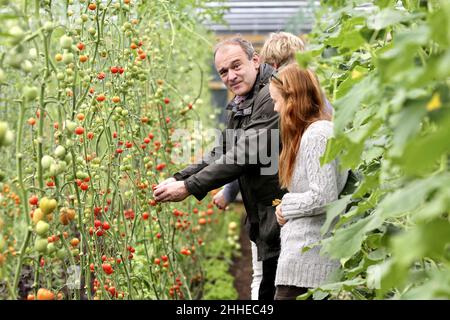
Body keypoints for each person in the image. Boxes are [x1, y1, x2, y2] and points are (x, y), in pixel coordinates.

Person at [153, 37, 286, 300]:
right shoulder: (241, 101)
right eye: (223, 71)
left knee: (275, 291)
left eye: (236, 66)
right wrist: (180, 177)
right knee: (268, 288)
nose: (231, 76)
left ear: (255, 60)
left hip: (282, 211)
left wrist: (190, 187)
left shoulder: (272, 94)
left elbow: (244, 154)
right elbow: (223, 149)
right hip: (267, 212)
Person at [212, 31, 309, 300]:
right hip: (270, 207)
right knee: (266, 275)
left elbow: (246, 153)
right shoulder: (259, 100)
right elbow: (242, 151)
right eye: (223, 71)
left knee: (273, 278)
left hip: (281, 205)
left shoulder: (290, 104)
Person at [269, 64, 348, 300]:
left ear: (292, 99)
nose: (275, 108)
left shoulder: (317, 134)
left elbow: (324, 196)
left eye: (276, 100)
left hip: (309, 269)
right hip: (303, 267)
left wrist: (286, 204)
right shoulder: (313, 134)